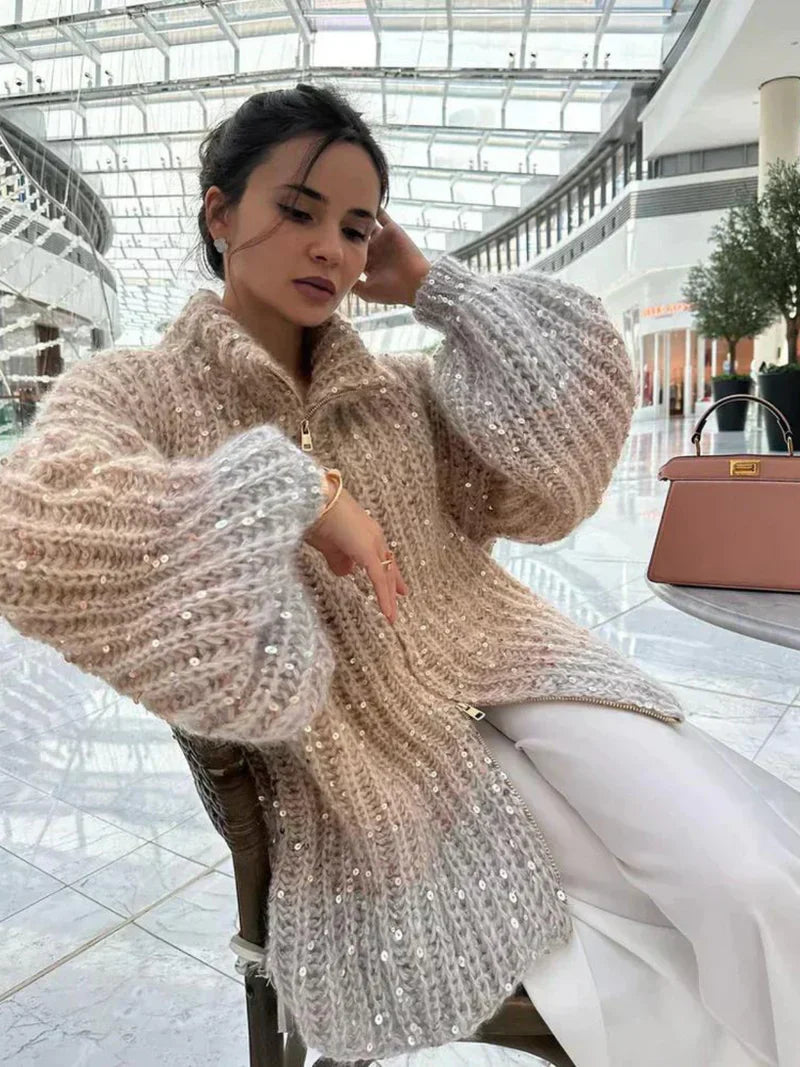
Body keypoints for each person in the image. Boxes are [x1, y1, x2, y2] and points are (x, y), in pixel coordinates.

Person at [0, 83, 797, 1067]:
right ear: (220, 214)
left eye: (355, 225)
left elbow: (569, 433)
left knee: (749, 881)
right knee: (649, 948)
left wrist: (433, 285)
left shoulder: (394, 391)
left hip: (520, 670)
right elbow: (33, 525)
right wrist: (291, 488)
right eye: (298, 210)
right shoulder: (141, 389)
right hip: (370, 758)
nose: (330, 249)